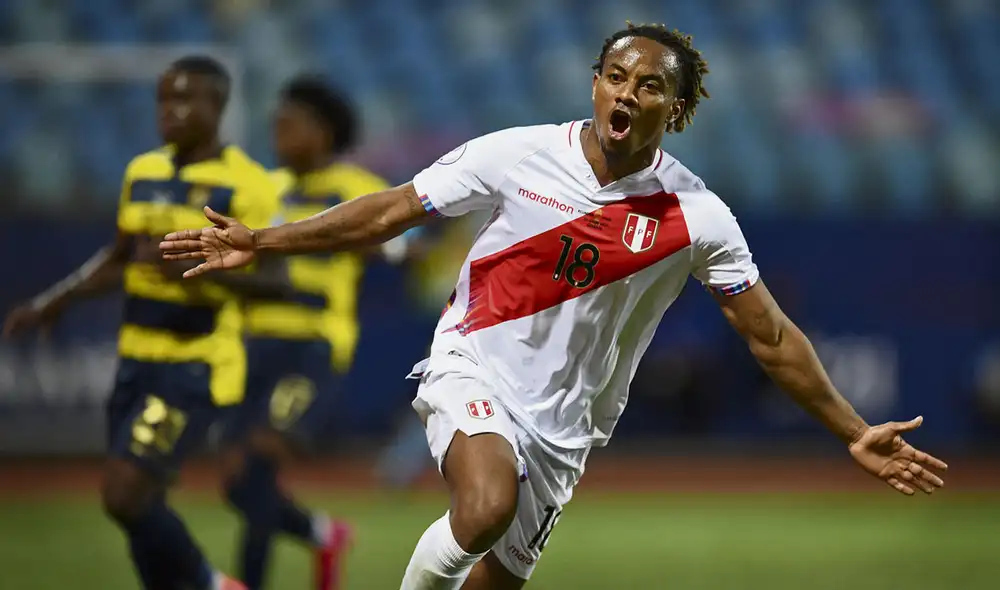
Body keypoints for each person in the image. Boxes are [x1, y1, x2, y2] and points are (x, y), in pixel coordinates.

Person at [159, 24, 949, 590]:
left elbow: (769, 336)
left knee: (495, 573)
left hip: (568, 428)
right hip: (472, 364)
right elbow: (393, 209)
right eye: (615, 75)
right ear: (595, 83)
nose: (627, 92)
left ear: (676, 111)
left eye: (649, 85)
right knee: (485, 505)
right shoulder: (517, 154)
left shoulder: (697, 217)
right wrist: (263, 240)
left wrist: (852, 429)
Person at [3, 56, 282, 590]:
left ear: (218, 105)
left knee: (123, 493)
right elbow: (120, 257)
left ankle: (214, 584)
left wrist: (201, 272)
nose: (170, 110)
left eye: (185, 99)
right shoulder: (142, 171)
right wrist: (55, 300)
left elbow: (277, 281)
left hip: (196, 363)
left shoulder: (247, 183)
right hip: (134, 360)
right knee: (137, 505)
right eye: (163, 99)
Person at [220, 74, 401, 590]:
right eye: (275, 125)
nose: (278, 134)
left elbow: (392, 242)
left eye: (290, 125)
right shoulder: (264, 189)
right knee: (236, 484)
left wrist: (392, 247)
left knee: (261, 463)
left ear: (324, 133)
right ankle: (323, 534)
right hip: (253, 345)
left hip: (312, 346)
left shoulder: (356, 188)